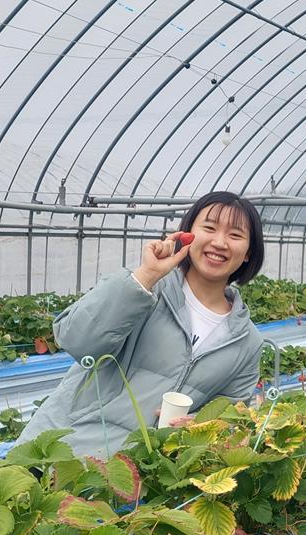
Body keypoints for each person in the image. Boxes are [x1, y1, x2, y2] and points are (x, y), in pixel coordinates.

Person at [18, 191, 265, 459]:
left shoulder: (247, 342)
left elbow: (231, 414)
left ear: (248, 253)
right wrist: (146, 276)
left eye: (235, 235)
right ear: (186, 234)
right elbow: (76, 341)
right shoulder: (144, 290)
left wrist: (201, 425)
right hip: (60, 451)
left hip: (136, 480)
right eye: (209, 227)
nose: (219, 242)